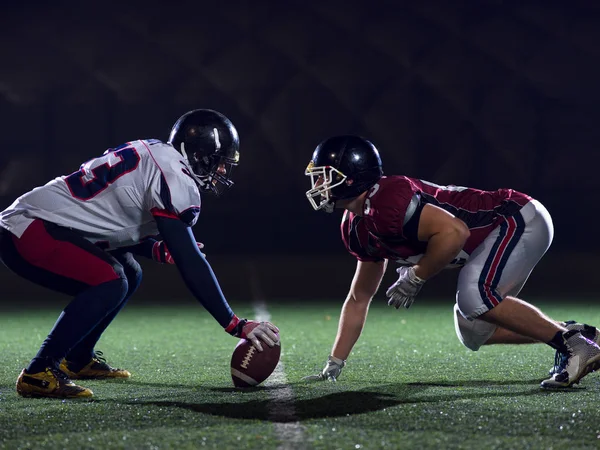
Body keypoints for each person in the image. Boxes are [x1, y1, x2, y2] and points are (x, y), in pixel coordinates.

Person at [0, 109, 279, 399]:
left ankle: (78, 359)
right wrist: (234, 323)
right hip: (29, 229)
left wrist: (155, 248)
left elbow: (106, 222)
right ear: (196, 153)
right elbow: (190, 260)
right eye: (217, 162)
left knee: (129, 273)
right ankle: (38, 372)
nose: (221, 170)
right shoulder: (175, 176)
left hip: (40, 224)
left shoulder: (158, 154)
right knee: (110, 279)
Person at [303, 135, 600, 389]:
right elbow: (359, 298)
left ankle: (572, 345)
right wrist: (335, 361)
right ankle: (581, 336)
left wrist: (417, 277)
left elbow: (455, 233)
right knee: (472, 330)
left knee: (474, 297)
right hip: (502, 232)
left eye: (325, 175)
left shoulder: (388, 200)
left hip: (517, 217)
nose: (318, 183)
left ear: (352, 176)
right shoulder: (357, 227)